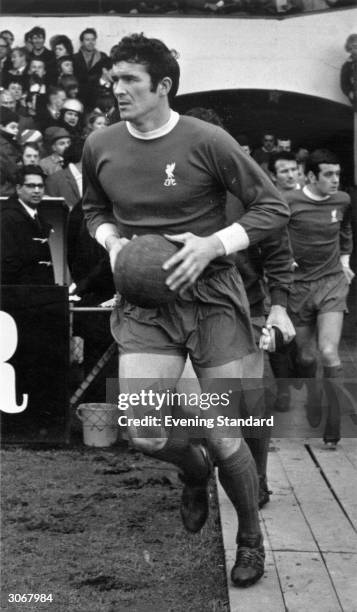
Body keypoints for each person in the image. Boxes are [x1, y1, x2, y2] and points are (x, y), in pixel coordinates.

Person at [82, 33, 291, 588]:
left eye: (129, 80)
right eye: (114, 78)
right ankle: (194, 473)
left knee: (228, 433)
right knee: (145, 431)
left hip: (212, 300)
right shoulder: (100, 143)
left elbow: (273, 208)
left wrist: (212, 244)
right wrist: (111, 241)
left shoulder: (208, 140)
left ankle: (250, 537)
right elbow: (93, 208)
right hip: (146, 305)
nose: (117, 88)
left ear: (164, 86)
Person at [285, 149, 354, 448]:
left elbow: (346, 230)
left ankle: (334, 419)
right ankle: (313, 396)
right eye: (328, 174)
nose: (335, 180)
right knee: (305, 356)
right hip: (299, 287)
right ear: (311, 176)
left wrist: (346, 262)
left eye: (337, 174)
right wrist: (285, 259)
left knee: (328, 351)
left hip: (331, 284)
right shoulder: (289, 202)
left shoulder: (343, 201)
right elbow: (274, 233)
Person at [0, 164, 54, 285]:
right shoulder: (6, 217)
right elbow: (8, 263)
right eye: (30, 186)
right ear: (18, 188)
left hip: (37, 292)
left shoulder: (37, 216)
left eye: (40, 186)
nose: (37, 190)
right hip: (20, 293)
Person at [73, 28, 110, 109]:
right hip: (80, 96)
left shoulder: (103, 57)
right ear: (82, 42)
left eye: (93, 39)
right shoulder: (75, 58)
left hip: (98, 97)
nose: (91, 42)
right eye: (87, 40)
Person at [0, 107, 21, 196]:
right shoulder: (5, 146)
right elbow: (15, 173)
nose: (16, 130)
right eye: (13, 127)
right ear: (1, 126)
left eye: (17, 127)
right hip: (6, 191)